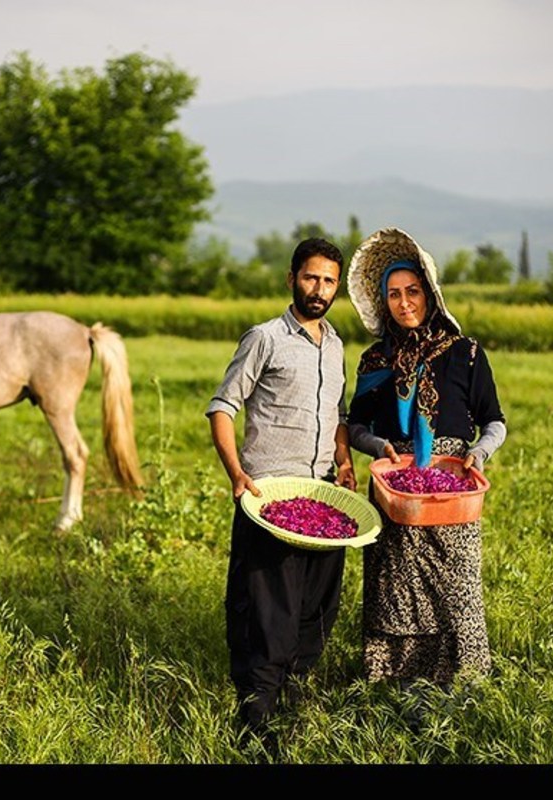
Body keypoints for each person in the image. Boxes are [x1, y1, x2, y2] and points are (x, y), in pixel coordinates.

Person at [344, 227, 506, 716]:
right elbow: (354, 426)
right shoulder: (376, 359)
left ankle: (464, 681)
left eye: (412, 291)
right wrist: (379, 448)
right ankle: (395, 684)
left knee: (455, 579)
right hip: (397, 486)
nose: (403, 302)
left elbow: (494, 421)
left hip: (452, 485)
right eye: (393, 294)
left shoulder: (467, 353)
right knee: (396, 583)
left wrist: (478, 454)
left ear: (430, 293)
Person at [205, 237, 357, 748]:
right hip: (269, 498)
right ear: (291, 278)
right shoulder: (265, 339)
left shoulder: (336, 345)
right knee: (267, 616)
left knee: (316, 611)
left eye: (329, 281)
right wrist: (236, 473)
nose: (320, 289)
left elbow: (337, 415)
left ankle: (290, 709)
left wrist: (344, 458)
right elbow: (223, 407)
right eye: (311, 277)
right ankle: (253, 728)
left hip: (322, 499)